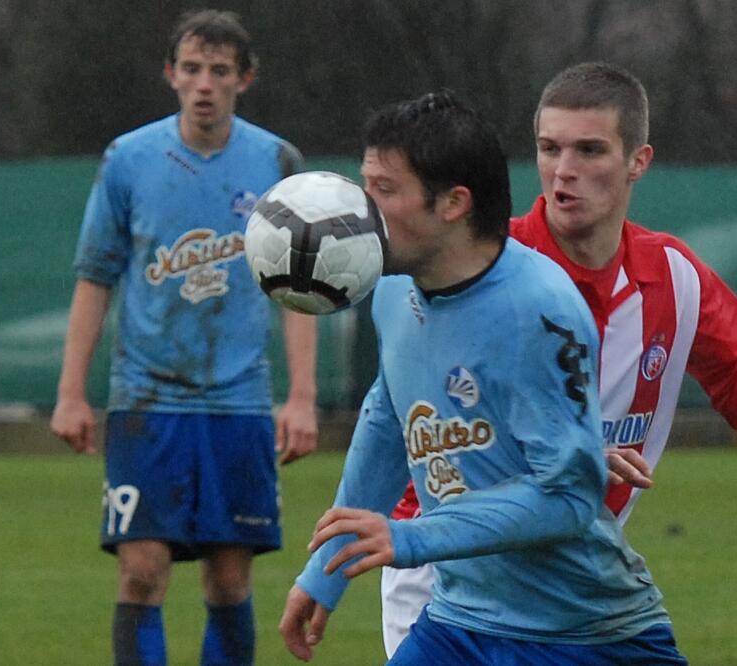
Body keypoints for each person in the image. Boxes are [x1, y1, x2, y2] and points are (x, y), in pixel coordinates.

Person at [379, 61, 737, 657]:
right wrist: (576, 454)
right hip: (446, 568)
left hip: (575, 581)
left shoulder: (674, 278)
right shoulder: (483, 269)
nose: (564, 172)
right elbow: (421, 420)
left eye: (590, 150)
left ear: (638, 160)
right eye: (549, 148)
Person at [279, 90, 687, 664]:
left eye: (384, 190)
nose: (361, 209)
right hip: (457, 622)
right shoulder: (394, 288)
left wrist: (410, 537)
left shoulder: (539, 309)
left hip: (585, 636)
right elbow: (390, 420)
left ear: (453, 204)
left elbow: (569, 494)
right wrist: (326, 571)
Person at [49, 9, 318, 665]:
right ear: (170, 74)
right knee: (141, 569)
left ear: (244, 79)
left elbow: (299, 288)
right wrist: (71, 394)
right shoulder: (128, 160)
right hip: (147, 400)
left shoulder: (276, 161)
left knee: (229, 578)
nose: (205, 84)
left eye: (220, 71)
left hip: (239, 404)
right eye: (192, 69)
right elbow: (94, 277)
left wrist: (303, 397)